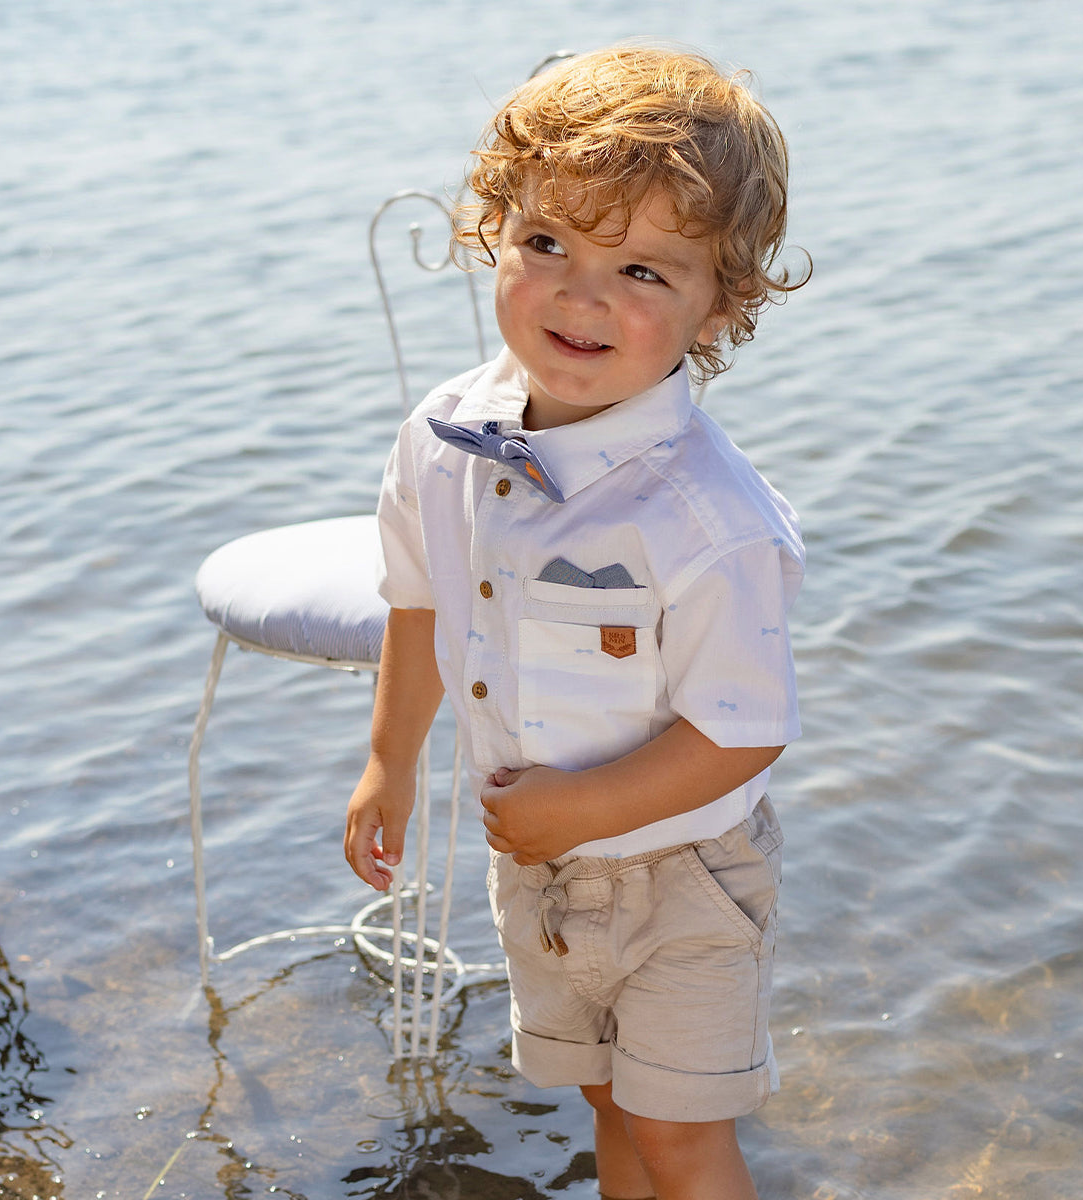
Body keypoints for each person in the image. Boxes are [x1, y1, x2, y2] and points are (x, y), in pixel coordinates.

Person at [345, 44, 809, 1200]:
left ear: (721, 300)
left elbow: (744, 729)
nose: (582, 296)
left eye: (643, 269)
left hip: (684, 874)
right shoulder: (444, 439)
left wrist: (578, 811)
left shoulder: (708, 519)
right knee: (606, 1101)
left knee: (681, 1133)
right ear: (491, 230)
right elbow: (420, 600)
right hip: (543, 867)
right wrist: (390, 763)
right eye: (548, 242)